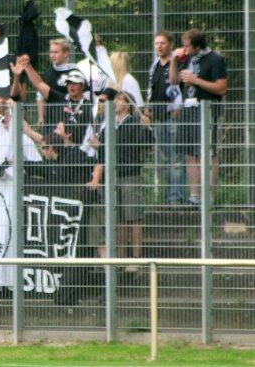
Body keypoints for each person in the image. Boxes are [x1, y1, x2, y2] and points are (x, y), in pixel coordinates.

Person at [87, 92, 153, 261]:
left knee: (134, 217)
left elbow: (143, 145)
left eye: (119, 98)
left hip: (130, 176)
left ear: (127, 104)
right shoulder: (109, 126)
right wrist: (99, 146)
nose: (115, 102)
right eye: (114, 98)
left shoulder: (133, 124)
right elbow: (106, 155)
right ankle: (122, 259)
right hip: (112, 177)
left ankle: (136, 259)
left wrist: (146, 127)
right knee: (119, 221)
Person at [169, 28, 227, 205]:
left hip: (207, 111)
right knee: (190, 154)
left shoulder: (215, 59)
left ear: (197, 45)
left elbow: (221, 88)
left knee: (208, 153)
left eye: (187, 46)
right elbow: (173, 80)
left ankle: (209, 196)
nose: (184, 48)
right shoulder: (185, 58)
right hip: (188, 110)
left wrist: (195, 80)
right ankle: (194, 196)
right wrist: (173, 59)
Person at [145, 31, 185, 204]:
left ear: (170, 44)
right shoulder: (154, 65)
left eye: (162, 43)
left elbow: (180, 86)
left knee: (175, 158)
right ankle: (169, 196)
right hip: (158, 117)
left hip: (173, 115)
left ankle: (175, 198)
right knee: (165, 157)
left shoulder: (177, 62)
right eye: (156, 43)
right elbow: (150, 88)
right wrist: (148, 107)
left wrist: (178, 106)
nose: (159, 46)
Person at [30, 39, 81, 129]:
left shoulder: (75, 73)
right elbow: (40, 96)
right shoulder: (48, 73)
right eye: (51, 52)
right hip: (50, 123)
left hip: (69, 123)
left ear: (66, 53)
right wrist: (41, 117)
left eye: (56, 52)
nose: (52, 55)